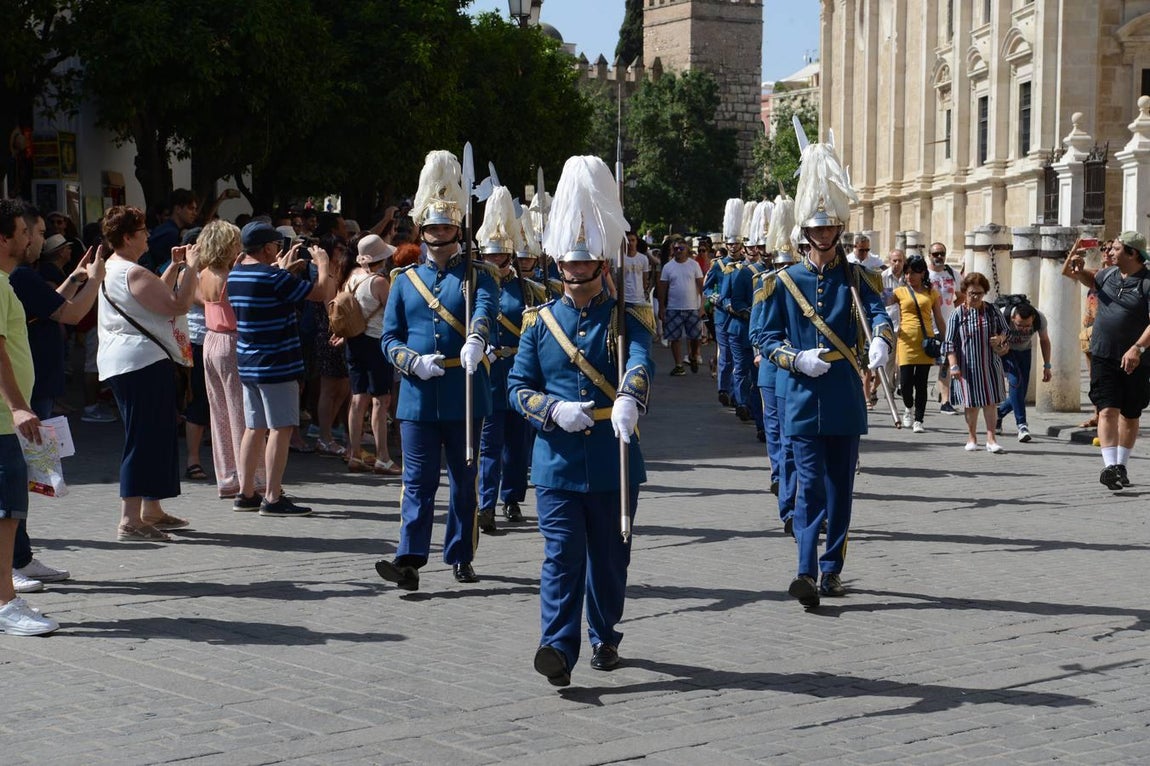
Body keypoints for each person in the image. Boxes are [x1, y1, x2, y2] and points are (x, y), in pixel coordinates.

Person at [507, 155, 652, 686]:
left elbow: (640, 359)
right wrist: (551, 410)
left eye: (583, 264)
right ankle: (557, 647)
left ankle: (604, 633)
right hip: (558, 460)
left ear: (600, 265)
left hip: (613, 454)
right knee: (561, 558)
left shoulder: (627, 316)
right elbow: (517, 387)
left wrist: (630, 397)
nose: (573, 273)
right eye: (567, 265)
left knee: (610, 564)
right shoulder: (538, 322)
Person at [756, 142, 892, 609]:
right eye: (817, 227)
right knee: (807, 486)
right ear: (805, 232)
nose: (824, 233)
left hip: (843, 394)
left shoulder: (858, 278)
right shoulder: (780, 281)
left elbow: (880, 315)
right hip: (799, 394)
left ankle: (832, 567)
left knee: (840, 489)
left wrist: (882, 340)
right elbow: (764, 337)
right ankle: (804, 570)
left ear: (839, 227)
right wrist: (795, 360)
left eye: (830, 226)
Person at [374, 149, 497, 590]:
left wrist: (478, 339)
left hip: (465, 390)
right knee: (416, 482)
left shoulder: (479, 275)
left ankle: (461, 553)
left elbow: (484, 310)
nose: (439, 233)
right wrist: (411, 362)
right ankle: (409, 559)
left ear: (457, 230)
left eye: (446, 227)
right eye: (432, 227)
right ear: (422, 231)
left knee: (464, 482)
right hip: (419, 394)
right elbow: (389, 339)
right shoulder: (404, 280)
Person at [8, 204, 101, 591]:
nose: (43, 239)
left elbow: (48, 309)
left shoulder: (23, 279)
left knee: (23, 479)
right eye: (40, 231)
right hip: (24, 397)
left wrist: (74, 279)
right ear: (21, 234)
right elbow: (71, 314)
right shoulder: (21, 276)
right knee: (15, 482)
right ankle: (12, 565)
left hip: (34, 389)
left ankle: (21, 558)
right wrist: (96, 278)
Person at [98, 206, 198, 541]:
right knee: (144, 437)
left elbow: (151, 297)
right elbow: (177, 305)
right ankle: (130, 518)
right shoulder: (132, 272)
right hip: (140, 361)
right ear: (127, 237)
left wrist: (175, 267)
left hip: (127, 360)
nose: (148, 235)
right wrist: (193, 269)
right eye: (142, 230)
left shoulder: (115, 267)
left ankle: (151, 509)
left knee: (153, 433)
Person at [228, 221, 335, 516]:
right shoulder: (272, 277)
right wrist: (323, 264)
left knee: (254, 428)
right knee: (281, 428)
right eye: (276, 245)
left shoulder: (236, 274)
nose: (279, 250)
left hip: (249, 362)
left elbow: (268, 293)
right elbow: (321, 292)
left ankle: (246, 491)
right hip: (277, 363)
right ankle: (272, 497)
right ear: (266, 248)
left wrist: (283, 272)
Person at [0, 199, 57, 635]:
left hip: (7, 418)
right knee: (7, 512)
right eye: (22, 231)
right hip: (4, 420)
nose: (28, 238)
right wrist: (18, 405)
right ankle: (5, 603)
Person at [1063, 232, 1150, 490]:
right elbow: (1071, 273)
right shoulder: (1108, 275)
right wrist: (1074, 259)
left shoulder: (1147, 282)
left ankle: (1121, 465)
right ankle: (1110, 467)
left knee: (1130, 413)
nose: (1109, 252)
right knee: (1107, 409)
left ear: (1132, 253)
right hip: (1103, 353)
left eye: (1116, 249)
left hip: (1136, 359)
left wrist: (1137, 348)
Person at [197, 220, 266, 499]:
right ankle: (253, 477)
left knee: (220, 414)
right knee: (242, 413)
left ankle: (228, 477)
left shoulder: (204, 273)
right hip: (232, 340)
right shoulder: (231, 276)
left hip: (210, 340)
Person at [340, 234, 401, 476]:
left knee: (358, 398)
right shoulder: (379, 281)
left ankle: (354, 452)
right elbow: (393, 312)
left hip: (354, 340)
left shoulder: (351, 277)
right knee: (380, 400)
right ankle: (383, 457)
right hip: (376, 342)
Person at [943, 272, 1011, 454]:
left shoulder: (991, 310)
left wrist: (1000, 338)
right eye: (972, 293)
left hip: (989, 364)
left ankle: (991, 439)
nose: (975, 297)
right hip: (967, 366)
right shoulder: (957, 314)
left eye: (979, 293)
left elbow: (1005, 329)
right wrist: (953, 364)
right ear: (965, 291)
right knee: (971, 404)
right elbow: (949, 342)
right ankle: (971, 437)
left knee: (990, 402)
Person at [892, 255, 945, 433]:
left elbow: (938, 318)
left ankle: (919, 420)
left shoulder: (931, 293)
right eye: (907, 273)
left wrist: (946, 340)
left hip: (926, 342)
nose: (910, 277)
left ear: (923, 273)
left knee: (921, 382)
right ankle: (908, 407)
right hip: (905, 341)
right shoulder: (899, 292)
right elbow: (880, 300)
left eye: (914, 273)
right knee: (906, 382)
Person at [996, 302, 1052, 443]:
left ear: (1032, 319)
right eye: (1019, 325)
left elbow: (1044, 340)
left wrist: (1047, 365)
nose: (1023, 329)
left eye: (1027, 326)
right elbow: (990, 338)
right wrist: (999, 349)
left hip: (1025, 352)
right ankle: (1022, 426)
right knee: (1015, 382)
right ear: (1013, 317)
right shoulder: (1003, 315)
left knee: (1021, 393)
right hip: (1006, 352)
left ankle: (998, 414)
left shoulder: (1039, 318)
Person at [657, 239, 704, 375]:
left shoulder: (694, 265)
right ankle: (678, 365)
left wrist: (702, 307)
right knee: (674, 338)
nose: (678, 251)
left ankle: (693, 356)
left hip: (692, 307)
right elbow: (662, 289)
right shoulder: (668, 267)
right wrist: (661, 307)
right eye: (676, 248)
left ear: (687, 249)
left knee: (696, 337)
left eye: (681, 248)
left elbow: (701, 287)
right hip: (673, 307)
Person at [927, 242, 960, 414]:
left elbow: (961, 295)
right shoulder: (925, 274)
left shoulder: (953, 274)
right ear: (929, 255)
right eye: (935, 254)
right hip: (927, 325)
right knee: (924, 363)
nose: (939, 257)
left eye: (942, 253)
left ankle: (945, 400)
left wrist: (952, 310)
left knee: (946, 361)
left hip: (948, 325)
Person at [144, 189, 198, 273]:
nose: (194, 213)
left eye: (195, 209)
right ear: (178, 209)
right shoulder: (169, 234)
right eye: (191, 208)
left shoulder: (167, 229)